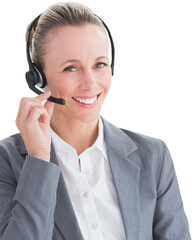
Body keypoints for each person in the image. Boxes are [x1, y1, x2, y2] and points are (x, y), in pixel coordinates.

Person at [0, 2, 191, 240]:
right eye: (71, 68)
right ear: (38, 78)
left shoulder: (153, 156)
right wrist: (38, 158)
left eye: (100, 64)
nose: (90, 83)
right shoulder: (6, 162)